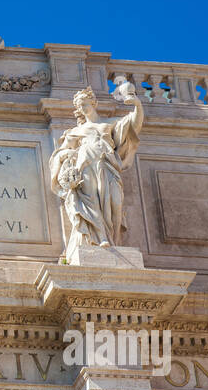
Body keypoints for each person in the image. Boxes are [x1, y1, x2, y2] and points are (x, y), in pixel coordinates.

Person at [48, 82, 144, 260]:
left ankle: (113, 240)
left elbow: (134, 125)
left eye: (85, 104)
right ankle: (99, 239)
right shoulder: (76, 131)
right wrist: (69, 155)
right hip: (86, 167)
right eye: (79, 106)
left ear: (93, 103)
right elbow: (58, 154)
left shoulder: (110, 124)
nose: (82, 108)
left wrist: (137, 104)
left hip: (108, 167)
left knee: (115, 203)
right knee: (91, 204)